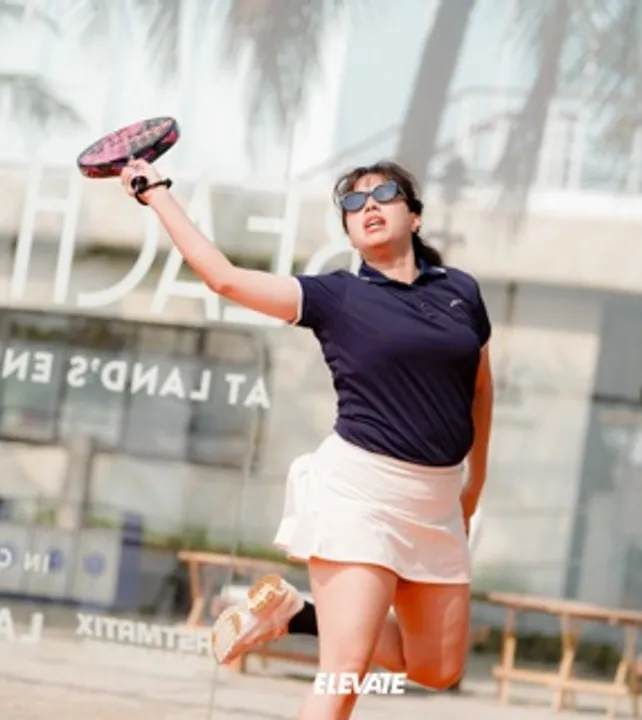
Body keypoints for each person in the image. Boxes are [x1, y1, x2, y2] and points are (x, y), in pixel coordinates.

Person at [120, 158, 494, 720]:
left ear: (414, 217)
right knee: (344, 671)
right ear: (349, 232)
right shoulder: (337, 296)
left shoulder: (460, 291)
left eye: (384, 195)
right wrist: (157, 194)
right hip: (361, 494)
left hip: (437, 503)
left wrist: (474, 484)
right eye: (353, 203)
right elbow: (224, 278)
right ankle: (318, 624)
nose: (368, 206)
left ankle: (297, 613)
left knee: (437, 669)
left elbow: (481, 388)